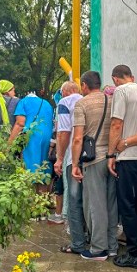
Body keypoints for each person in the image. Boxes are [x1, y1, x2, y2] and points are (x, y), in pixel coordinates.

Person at [107, 65, 137, 269]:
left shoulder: (121, 91)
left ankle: (134, 253)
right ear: (131, 77)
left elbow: (116, 124)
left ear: (115, 79)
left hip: (128, 156)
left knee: (126, 204)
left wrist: (111, 153)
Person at [72, 71, 118, 261]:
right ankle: (112, 245)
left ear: (84, 85)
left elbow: (77, 138)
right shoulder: (112, 101)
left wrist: (75, 164)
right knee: (111, 204)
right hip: (113, 157)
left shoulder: (81, 104)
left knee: (95, 204)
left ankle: (99, 248)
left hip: (93, 159)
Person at [50, 81, 81, 227]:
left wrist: (59, 158)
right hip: (87, 152)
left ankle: (71, 225)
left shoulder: (64, 103)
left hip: (70, 152)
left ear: (66, 91)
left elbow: (63, 132)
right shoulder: (85, 100)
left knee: (70, 190)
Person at [9, 92, 54, 173]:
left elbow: (20, 123)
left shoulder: (23, 102)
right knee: (45, 166)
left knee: (30, 165)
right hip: (47, 136)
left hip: (31, 136)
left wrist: (9, 143)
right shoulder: (47, 104)